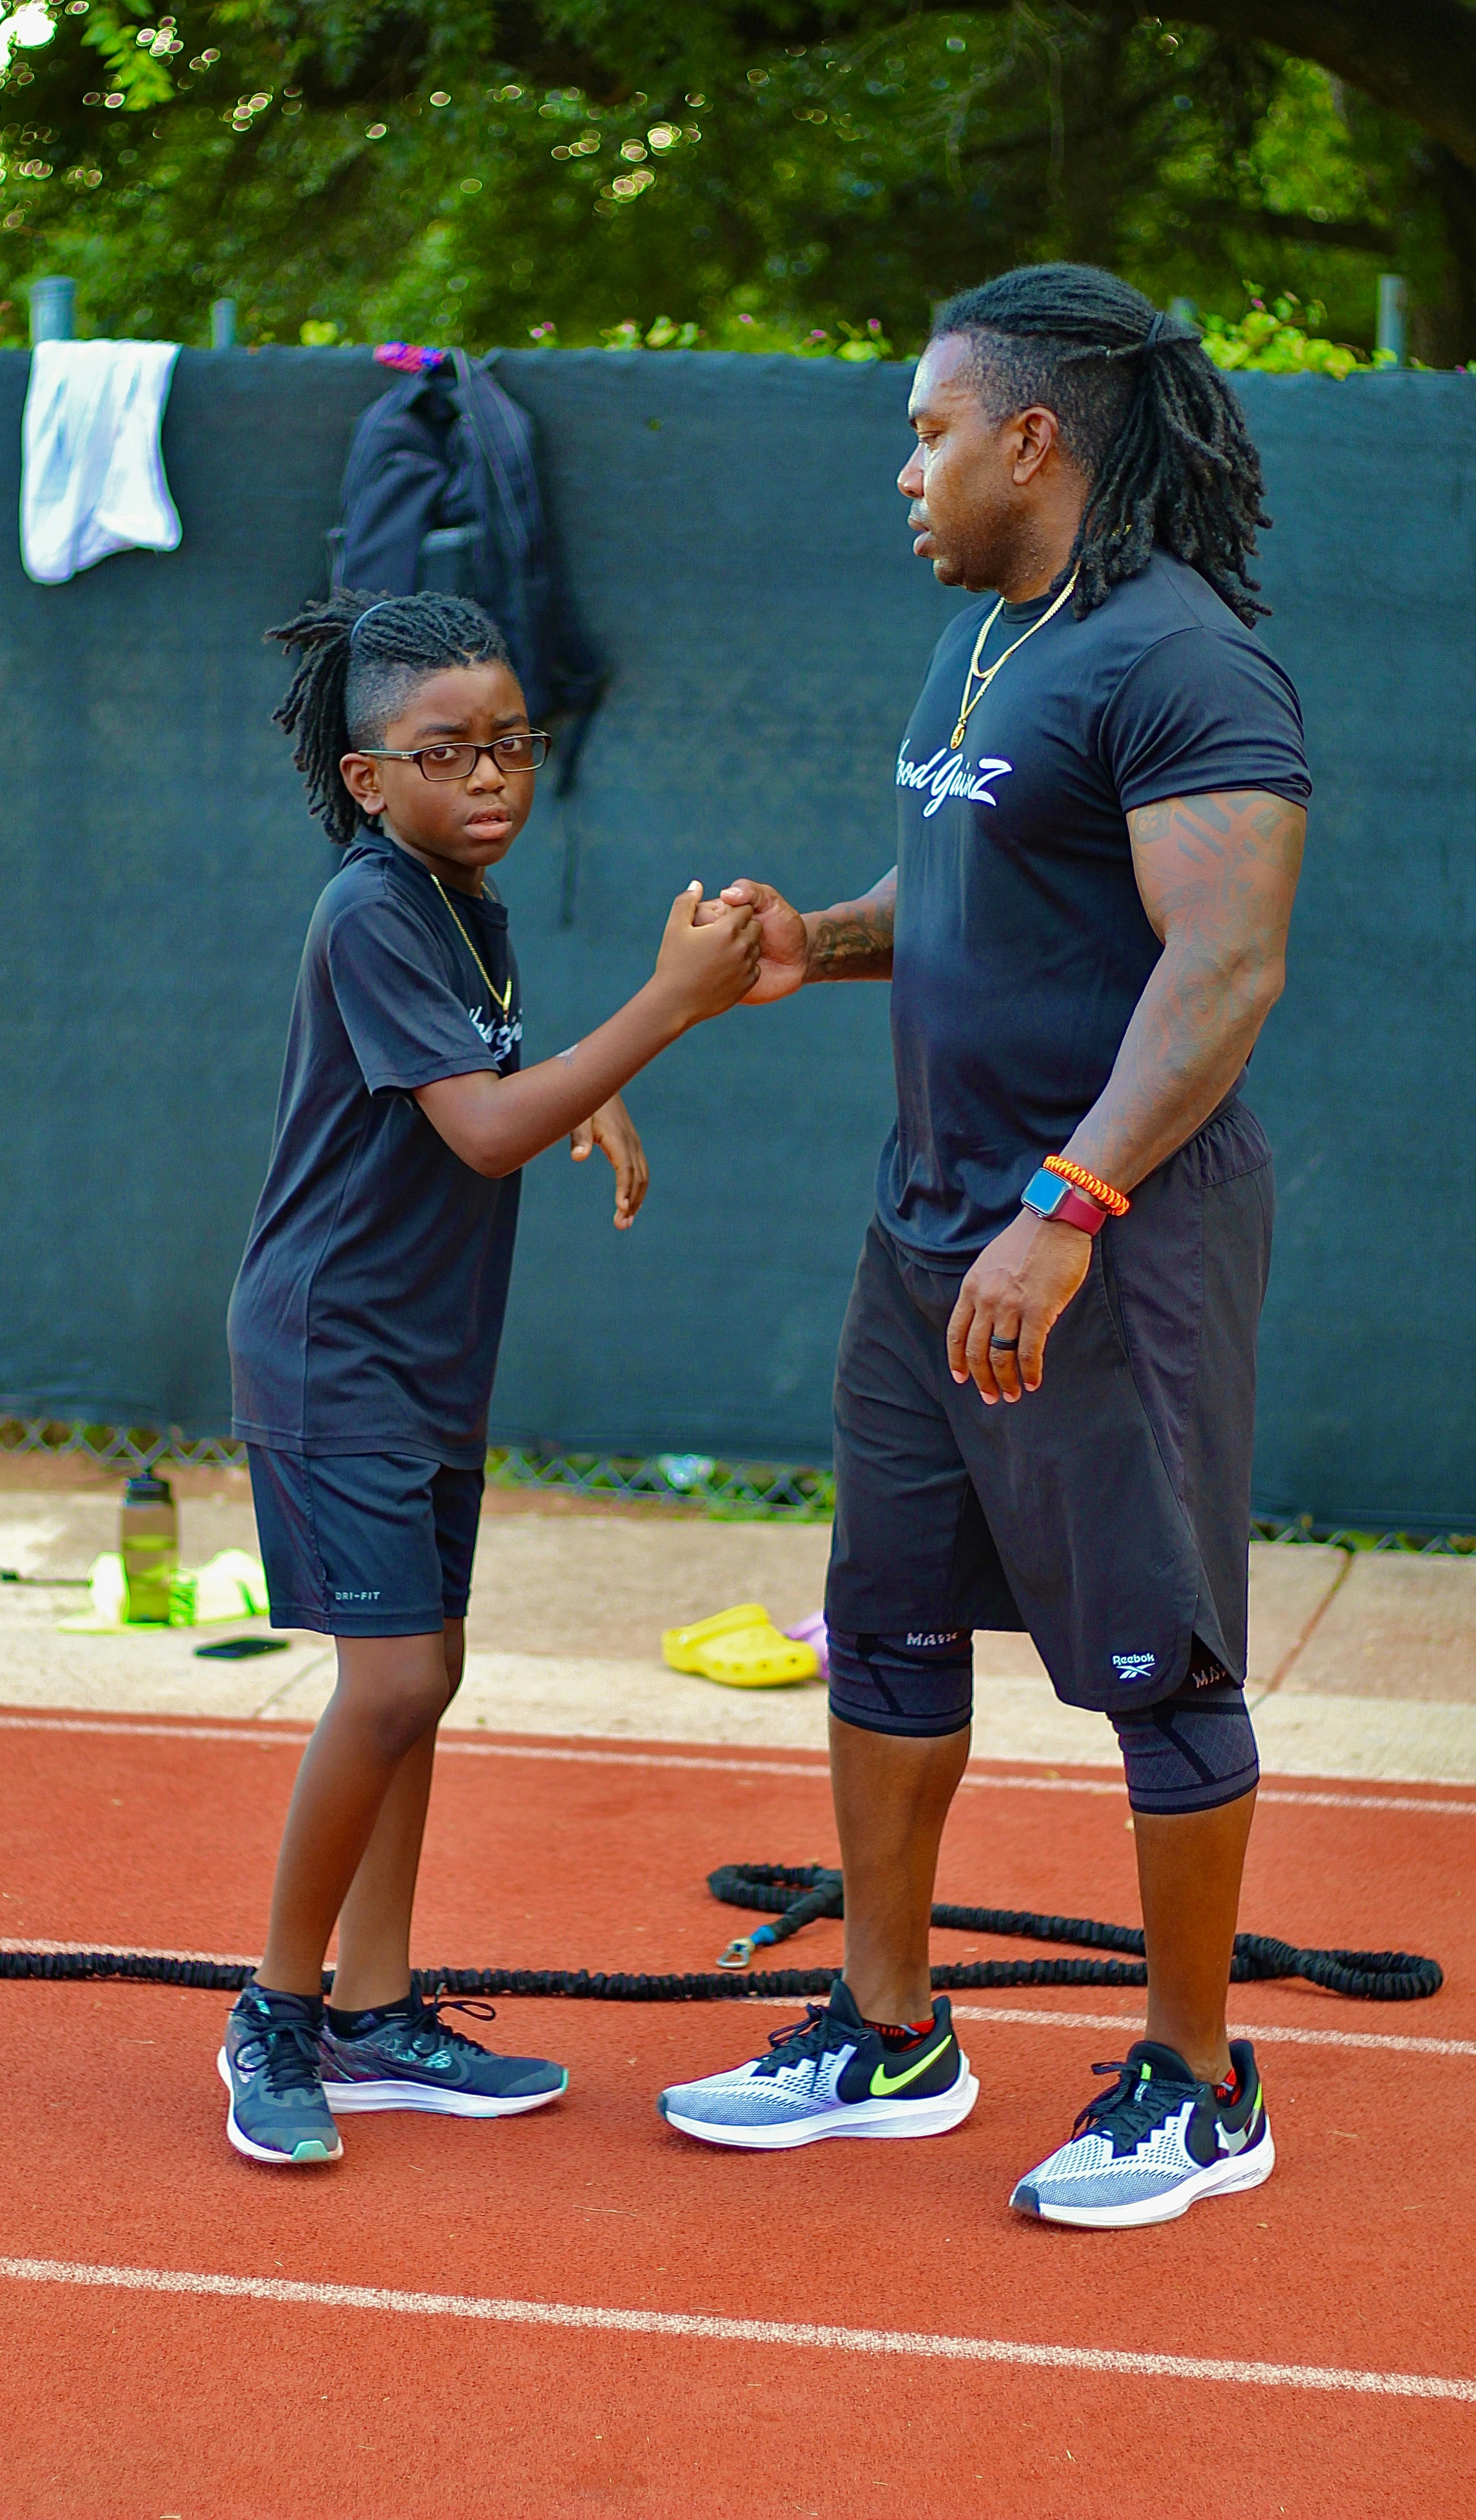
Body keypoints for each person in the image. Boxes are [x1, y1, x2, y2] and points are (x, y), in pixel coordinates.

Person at [659, 263, 1309, 2230]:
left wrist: (1069, 1206)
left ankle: (1201, 2080)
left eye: (931, 431)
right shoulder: (1002, 640)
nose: (908, 470)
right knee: (889, 1624)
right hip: (930, 1221)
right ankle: (888, 2031)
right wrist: (818, 944)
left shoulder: (1187, 662)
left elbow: (1224, 969)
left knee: (1158, 1661)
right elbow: (960, 879)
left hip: (1104, 1242)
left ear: (1034, 439)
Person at [221, 586, 761, 2166]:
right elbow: (476, 1128)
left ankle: (379, 2013)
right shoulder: (375, 903)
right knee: (388, 1679)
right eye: (449, 754)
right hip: (338, 1349)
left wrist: (559, 1088)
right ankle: (278, 2009)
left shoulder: (463, 902)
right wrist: (665, 1009)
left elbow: (481, 1079)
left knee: (425, 1677)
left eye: (512, 745)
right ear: (369, 775)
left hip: (421, 1347)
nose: (493, 778)